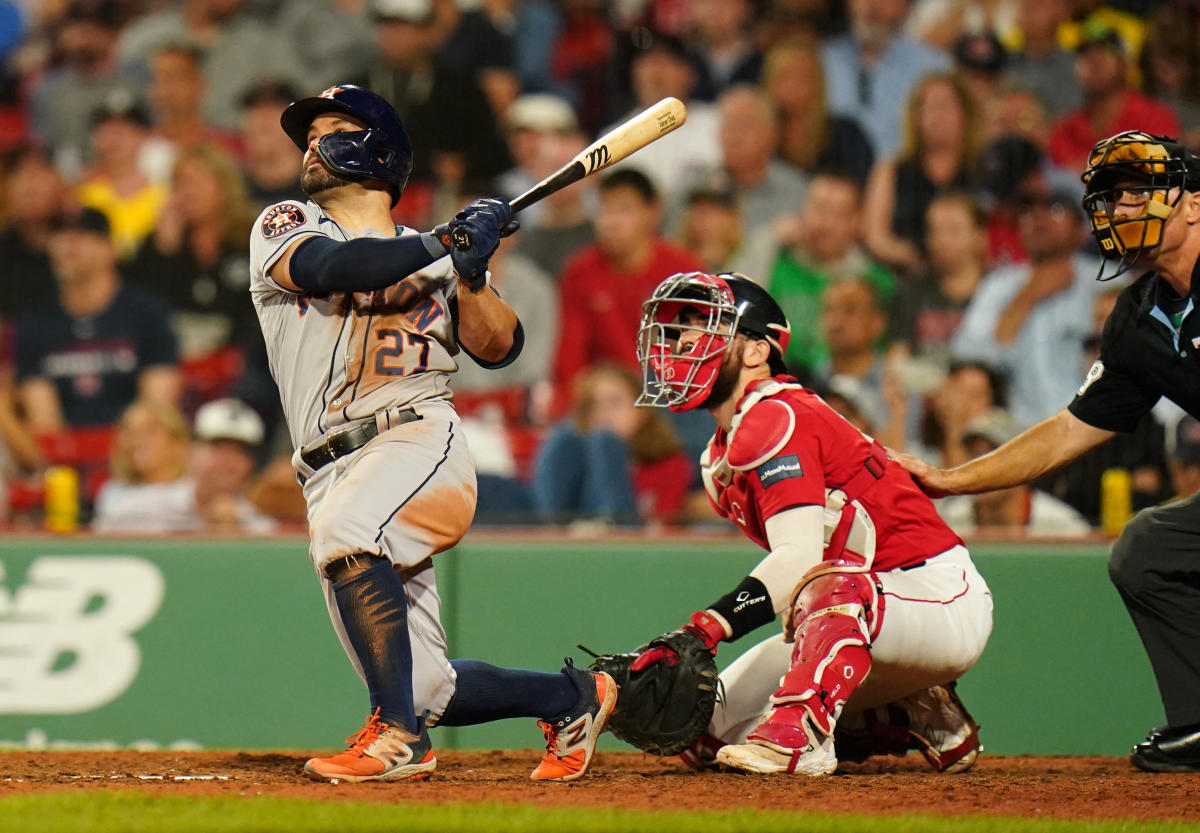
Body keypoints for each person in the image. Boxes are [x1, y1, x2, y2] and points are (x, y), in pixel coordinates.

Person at [249, 83, 615, 783]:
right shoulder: (289, 221)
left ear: (377, 149)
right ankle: (570, 697)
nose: (313, 145)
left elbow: (499, 344)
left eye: (333, 129)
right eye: (311, 134)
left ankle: (396, 740)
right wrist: (444, 243)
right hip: (325, 467)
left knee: (351, 535)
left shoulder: (440, 257)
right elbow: (333, 268)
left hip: (417, 438)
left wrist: (471, 273)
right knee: (424, 688)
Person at [897, 131, 1200, 773]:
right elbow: (1068, 429)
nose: (1119, 209)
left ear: (1194, 204)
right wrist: (954, 480)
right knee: (1151, 547)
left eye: (1137, 194)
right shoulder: (1139, 320)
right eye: (1113, 198)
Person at [631, 271, 992, 776]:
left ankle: (803, 742)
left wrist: (704, 629)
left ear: (756, 352)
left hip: (935, 589)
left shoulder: (776, 414)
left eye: (703, 325)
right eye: (679, 328)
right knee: (699, 734)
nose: (683, 339)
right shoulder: (719, 456)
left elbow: (800, 558)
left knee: (825, 587)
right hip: (868, 607)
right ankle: (912, 708)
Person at [531, 363, 692, 527]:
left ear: (642, 409)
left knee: (604, 441)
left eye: (614, 402)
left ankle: (610, 522)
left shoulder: (669, 463)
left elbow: (661, 526)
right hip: (570, 532)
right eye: (593, 404)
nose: (603, 412)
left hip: (627, 540)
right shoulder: (571, 456)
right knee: (563, 439)